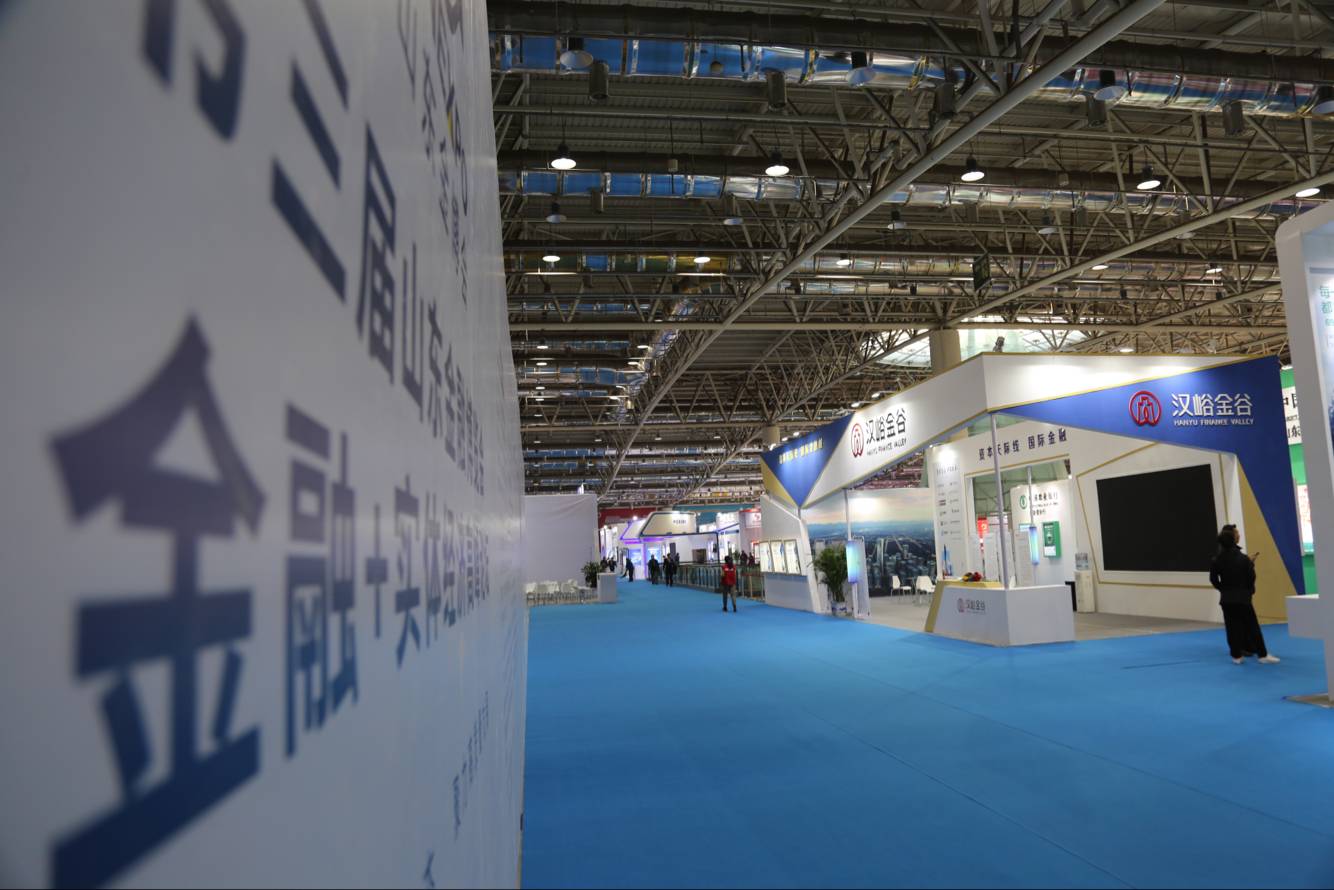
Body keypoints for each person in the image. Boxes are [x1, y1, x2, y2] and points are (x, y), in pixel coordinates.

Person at [1209, 524, 1279, 664]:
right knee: (1252, 626)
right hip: (1243, 598)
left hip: (1227, 599)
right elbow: (1251, 577)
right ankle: (1262, 655)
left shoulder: (1216, 560)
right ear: (1233, 540)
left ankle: (1236, 656)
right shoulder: (1243, 559)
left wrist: (1223, 589)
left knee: (1231, 628)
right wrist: (1248, 591)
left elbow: (1213, 579)